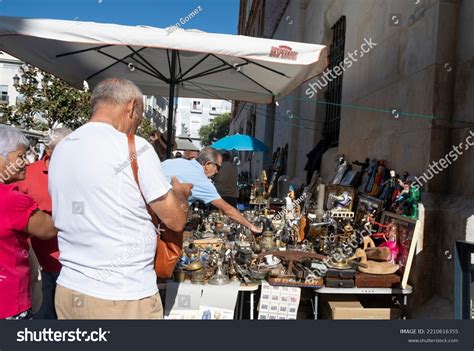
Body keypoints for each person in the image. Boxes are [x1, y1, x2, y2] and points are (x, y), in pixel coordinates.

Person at [48, 78, 191, 319]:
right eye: (140, 115)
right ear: (131, 106)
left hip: (69, 289)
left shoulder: (63, 146)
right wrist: (180, 195)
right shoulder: (134, 148)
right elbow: (175, 221)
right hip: (120, 296)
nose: (138, 122)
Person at [0, 126, 57, 320]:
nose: (26, 162)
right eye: (20, 156)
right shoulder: (12, 200)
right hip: (10, 306)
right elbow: (49, 229)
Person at [16, 127, 71, 319]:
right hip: (41, 267)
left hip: (75, 268)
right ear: (49, 150)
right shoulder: (27, 175)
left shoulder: (81, 174)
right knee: (43, 323)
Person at [162, 147, 262, 234]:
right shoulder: (201, 179)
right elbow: (226, 209)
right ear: (208, 164)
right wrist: (251, 226)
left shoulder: (174, 162)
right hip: (163, 222)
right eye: (218, 167)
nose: (218, 171)